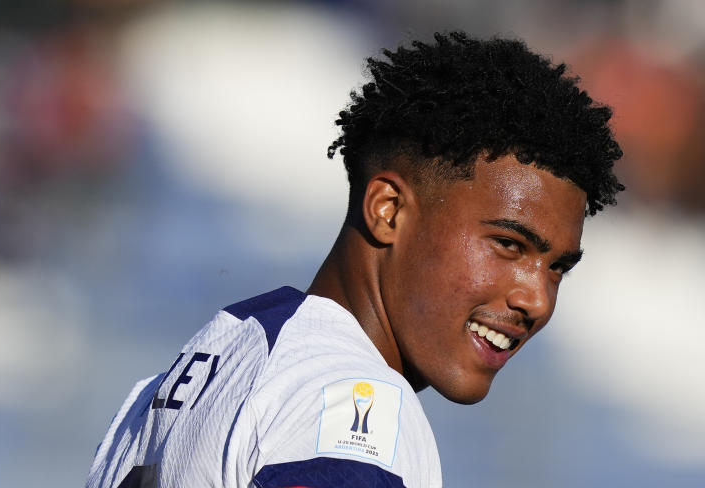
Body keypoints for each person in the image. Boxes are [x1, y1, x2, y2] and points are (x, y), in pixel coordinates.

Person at [85, 32, 624, 488]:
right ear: (388, 210)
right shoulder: (353, 402)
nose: (537, 297)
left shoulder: (205, 363)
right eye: (509, 244)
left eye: (558, 267)